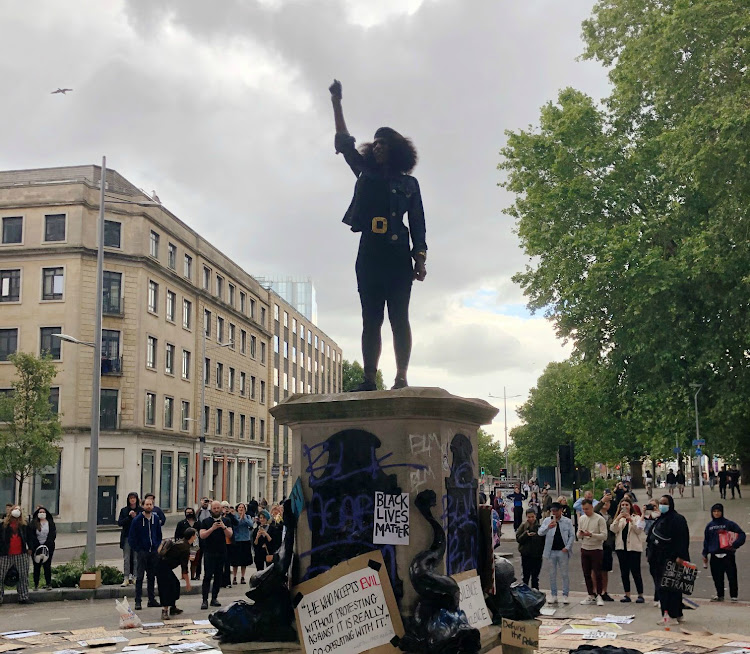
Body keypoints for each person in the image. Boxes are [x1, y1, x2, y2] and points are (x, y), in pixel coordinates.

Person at [329, 78, 427, 391]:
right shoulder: (365, 172)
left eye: (384, 142)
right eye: (376, 142)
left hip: (398, 257)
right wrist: (337, 103)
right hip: (369, 253)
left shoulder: (409, 185)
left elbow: (419, 224)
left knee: (400, 318)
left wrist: (420, 259)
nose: (379, 146)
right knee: (370, 319)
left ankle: (401, 378)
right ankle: (369, 378)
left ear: (396, 149)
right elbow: (345, 143)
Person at [646, 495, 690, 625]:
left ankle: (671, 615)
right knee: (667, 587)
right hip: (658, 558)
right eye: (660, 503)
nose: (662, 505)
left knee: (669, 588)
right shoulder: (661, 519)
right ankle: (674, 614)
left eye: (665, 503)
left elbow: (683, 539)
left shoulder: (677, 519)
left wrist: (681, 556)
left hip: (671, 558)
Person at [701, 503, 746, 602]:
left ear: (722, 512)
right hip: (714, 555)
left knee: (732, 576)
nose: (716, 513)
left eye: (718, 511)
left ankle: (734, 596)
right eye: (714, 511)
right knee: (717, 577)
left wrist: (734, 544)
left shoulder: (729, 524)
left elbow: (742, 534)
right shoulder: (709, 526)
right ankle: (720, 594)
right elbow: (706, 541)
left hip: (728, 555)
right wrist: (704, 554)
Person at [128, 496, 162, 611]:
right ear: (143, 506)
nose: (149, 506)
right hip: (142, 552)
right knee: (140, 577)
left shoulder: (155, 519)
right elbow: (132, 537)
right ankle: (138, 601)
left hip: (153, 552)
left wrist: (156, 546)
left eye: (151, 504)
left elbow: (158, 534)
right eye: (147, 504)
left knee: (152, 576)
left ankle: (151, 600)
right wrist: (138, 549)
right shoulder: (137, 520)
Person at [198, 500, 233, 610]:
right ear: (211, 510)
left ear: (221, 509)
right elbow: (202, 535)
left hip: (221, 551)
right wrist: (212, 528)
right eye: (214, 508)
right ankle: (204, 600)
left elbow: (230, 534)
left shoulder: (226, 521)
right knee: (207, 576)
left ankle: (214, 598)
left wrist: (223, 527)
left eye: (218, 508)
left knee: (218, 576)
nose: (216, 510)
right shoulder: (205, 521)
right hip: (209, 552)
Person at [538, 502, 575, 605]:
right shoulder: (547, 520)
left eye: (556, 511)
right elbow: (540, 532)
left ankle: (565, 595)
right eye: (552, 511)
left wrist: (567, 547)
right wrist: (548, 527)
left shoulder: (567, 521)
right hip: (551, 551)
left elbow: (572, 535)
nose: (554, 513)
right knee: (552, 574)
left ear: (560, 511)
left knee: (564, 574)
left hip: (562, 550)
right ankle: (554, 595)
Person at [610, 497, 646, 603]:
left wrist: (630, 519)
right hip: (621, 548)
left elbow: (638, 530)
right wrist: (618, 518)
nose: (624, 507)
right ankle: (627, 594)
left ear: (630, 506)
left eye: (626, 505)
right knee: (624, 572)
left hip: (634, 549)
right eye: (622, 505)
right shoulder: (619, 518)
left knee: (636, 572)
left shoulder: (636, 517)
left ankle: (640, 594)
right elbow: (613, 529)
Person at [157, 527, 197, 621]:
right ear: (192, 536)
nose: (196, 537)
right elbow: (184, 568)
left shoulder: (182, 542)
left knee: (175, 584)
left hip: (163, 565)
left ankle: (173, 607)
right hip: (162, 567)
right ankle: (165, 611)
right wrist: (188, 583)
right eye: (195, 535)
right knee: (166, 588)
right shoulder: (185, 548)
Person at [577, 499, 608, 606]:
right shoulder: (582, 518)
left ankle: (599, 594)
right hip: (585, 547)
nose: (585, 511)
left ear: (592, 507)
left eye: (587, 509)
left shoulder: (599, 519)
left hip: (596, 548)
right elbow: (578, 534)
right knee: (586, 573)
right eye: (583, 509)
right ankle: (590, 594)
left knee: (597, 572)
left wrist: (591, 535)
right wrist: (580, 534)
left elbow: (604, 536)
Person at [0, 505, 32, 605]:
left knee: (23, 576)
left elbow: (30, 538)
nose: (16, 512)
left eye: (18, 510)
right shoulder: (3, 526)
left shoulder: (24, 526)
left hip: (21, 554)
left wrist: (30, 548)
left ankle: (23, 597)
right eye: (15, 510)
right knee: (0, 576)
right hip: (5, 555)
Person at [28, 506, 56, 590]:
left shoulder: (50, 523)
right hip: (36, 547)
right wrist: (36, 545)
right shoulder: (33, 523)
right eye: (40, 512)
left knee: (47, 565)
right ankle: (36, 584)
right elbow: (31, 536)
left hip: (48, 547)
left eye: (43, 512)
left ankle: (48, 583)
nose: (42, 513)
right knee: (36, 566)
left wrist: (47, 544)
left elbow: (52, 534)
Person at [594, 497, 616, 602]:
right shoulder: (597, 515)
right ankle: (595, 591)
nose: (606, 504)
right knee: (595, 569)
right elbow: (594, 510)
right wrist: (602, 500)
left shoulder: (610, 516)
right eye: (604, 502)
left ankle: (604, 591)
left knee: (605, 570)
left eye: (608, 502)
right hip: (598, 544)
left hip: (607, 545)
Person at [516, 509, 544, 589]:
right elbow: (518, 539)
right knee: (526, 576)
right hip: (526, 554)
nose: (531, 519)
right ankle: (525, 594)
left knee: (535, 577)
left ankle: (535, 594)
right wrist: (526, 535)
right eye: (529, 517)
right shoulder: (523, 526)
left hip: (537, 555)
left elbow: (543, 540)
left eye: (532, 517)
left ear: (535, 516)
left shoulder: (539, 527)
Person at [117, 492, 140, 587]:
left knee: (136, 559)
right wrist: (129, 517)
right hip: (127, 536)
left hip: (137, 537)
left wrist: (136, 517)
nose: (132, 500)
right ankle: (126, 577)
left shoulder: (140, 510)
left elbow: (142, 522)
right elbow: (120, 523)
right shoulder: (124, 510)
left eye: (134, 498)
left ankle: (135, 577)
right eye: (131, 498)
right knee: (126, 558)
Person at [230, 503, 253, 585]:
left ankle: (243, 577)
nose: (241, 509)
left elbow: (251, 524)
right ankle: (234, 577)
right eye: (239, 507)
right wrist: (240, 518)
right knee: (235, 561)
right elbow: (236, 525)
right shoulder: (234, 517)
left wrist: (244, 518)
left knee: (244, 561)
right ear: (237, 509)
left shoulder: (248, 517)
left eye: (242, 507)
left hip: (245, 540)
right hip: (237, 540)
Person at [174, 507, 199, 580]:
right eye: (187, 513)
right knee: (184, 561)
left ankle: (192, 576)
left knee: (194, 561)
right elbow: (177, 535)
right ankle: (184, 575)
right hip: (184, 546)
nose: (189, 514)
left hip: (195, 545)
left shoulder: (198, 523)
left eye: (191, 512)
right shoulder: (181, 523)